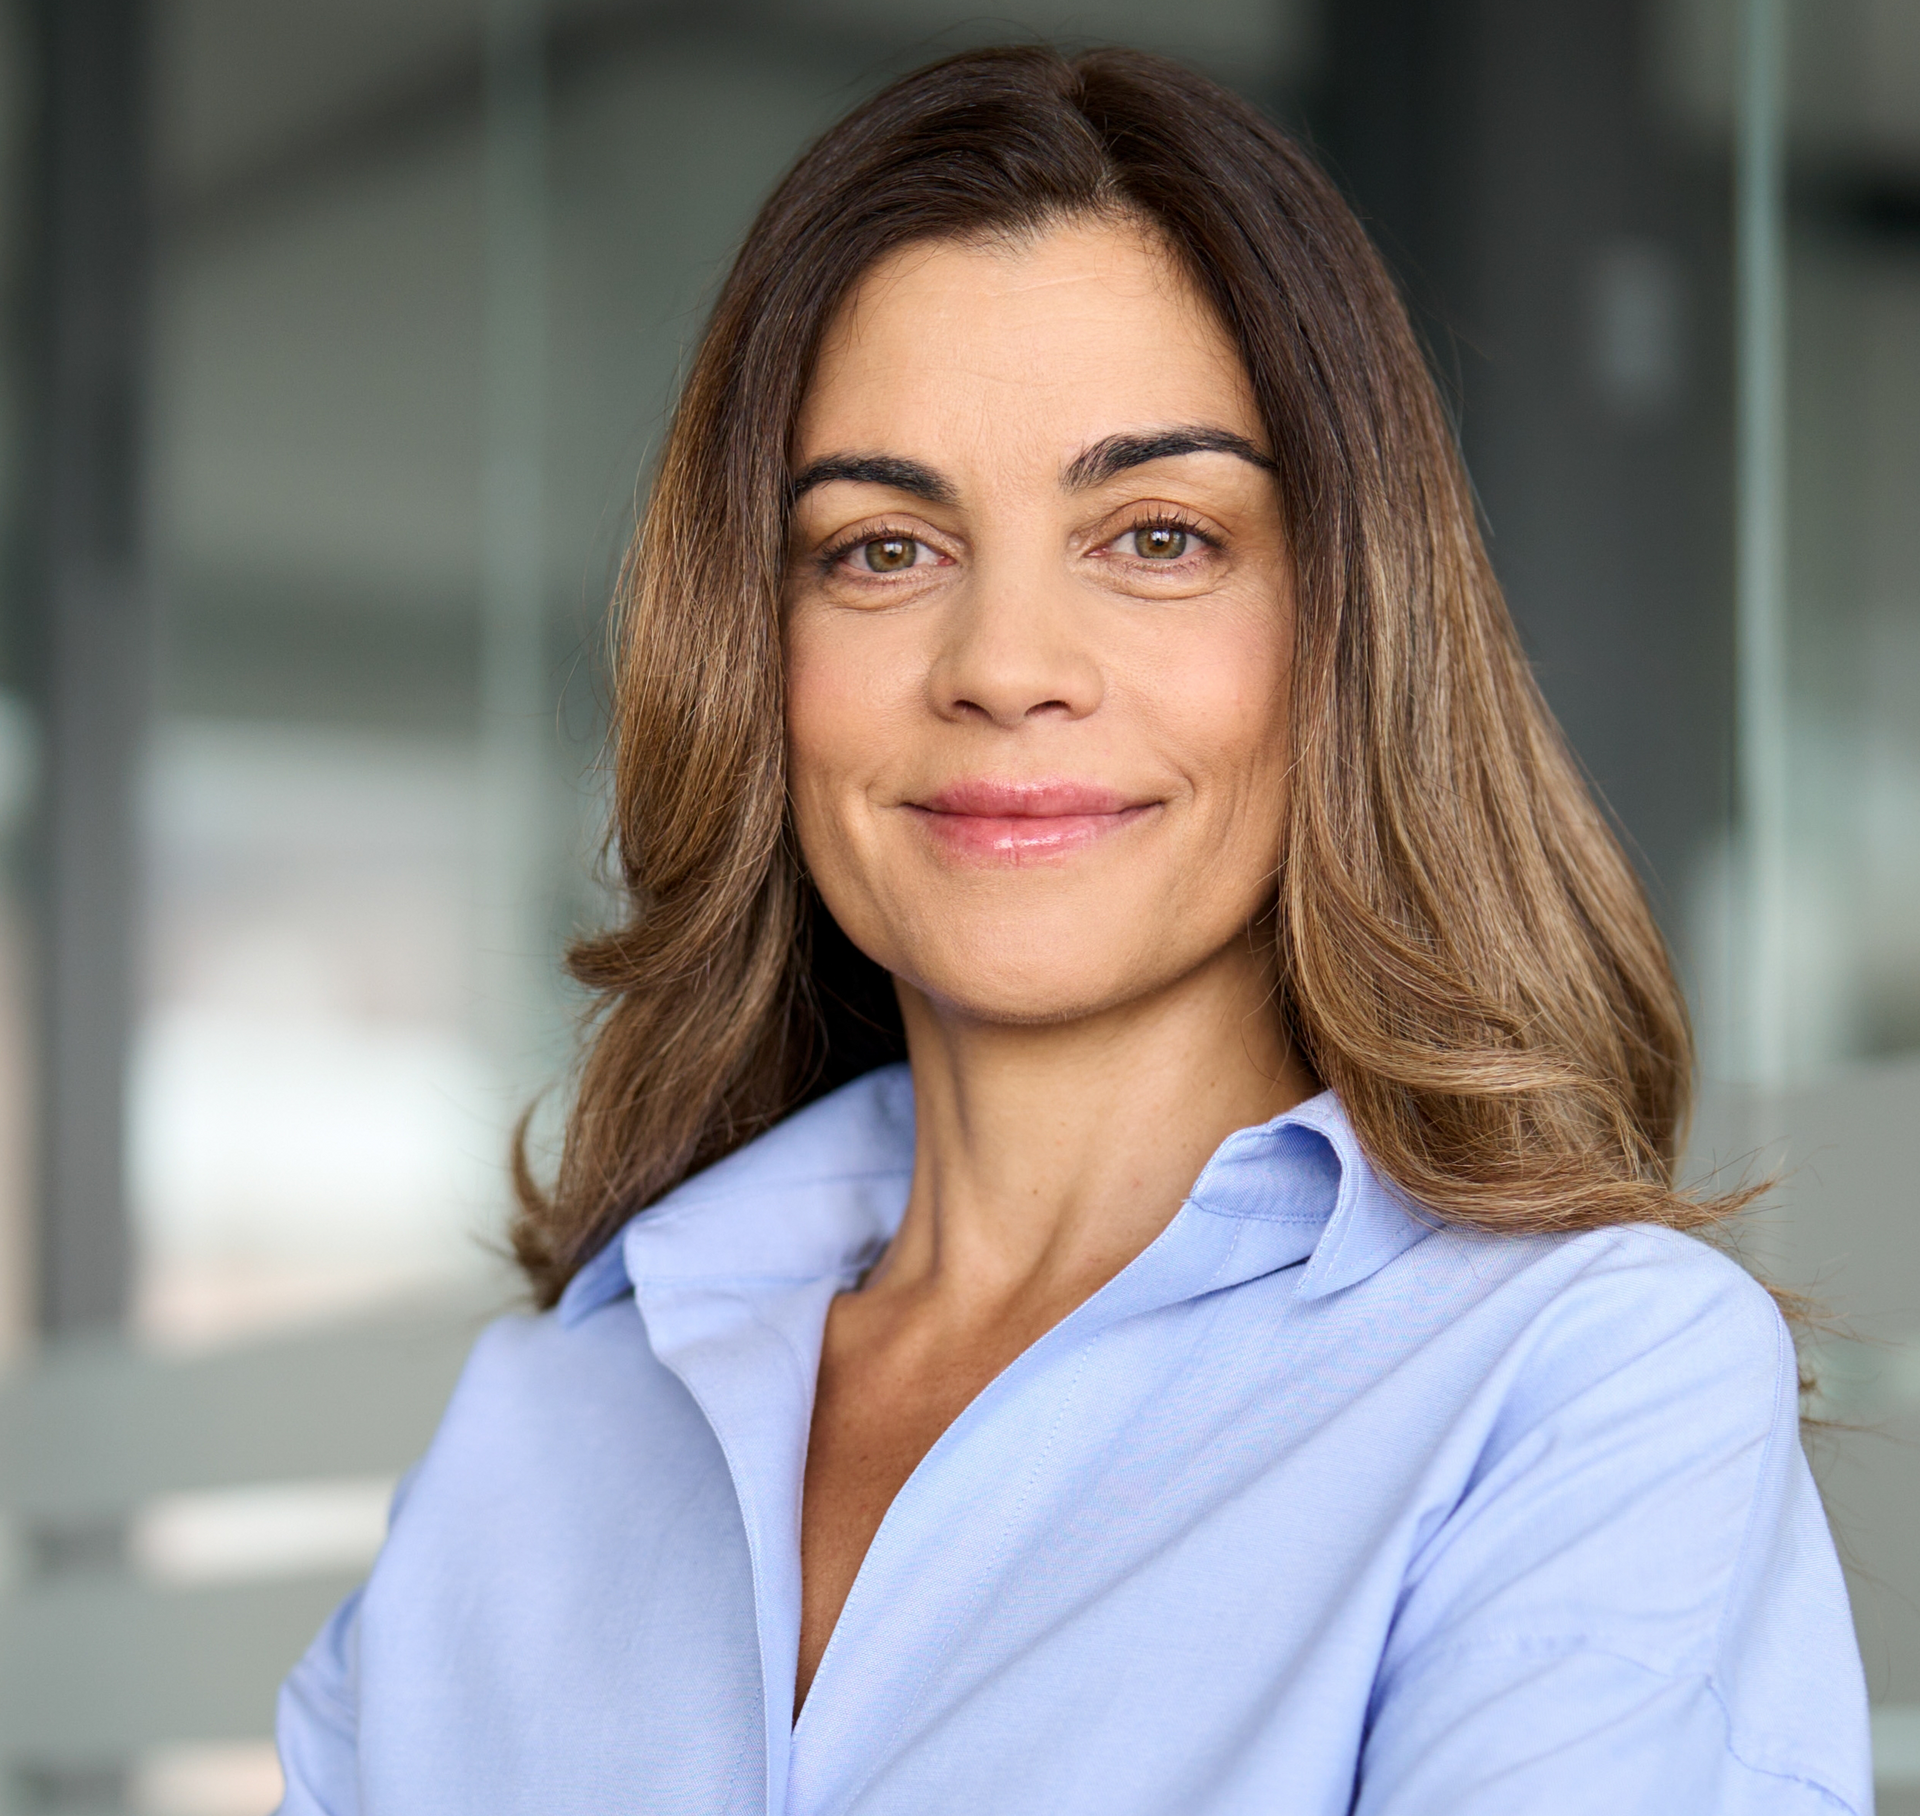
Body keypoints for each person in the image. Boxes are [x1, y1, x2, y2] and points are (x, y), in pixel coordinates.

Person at [274, 45, 1870, 1816]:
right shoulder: (548, 1414)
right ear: (756, 654)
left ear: (1348, 624)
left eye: (1159, 536)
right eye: (882, 549)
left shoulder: (1581, 1384)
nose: (1007, 666)